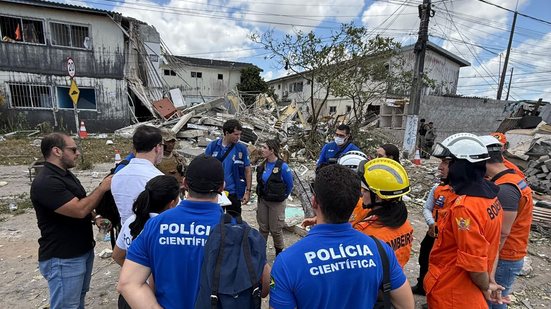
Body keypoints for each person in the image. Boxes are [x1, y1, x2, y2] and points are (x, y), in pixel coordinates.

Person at [269, 164, 414, 309]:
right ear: (354, 204)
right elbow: (406, 305)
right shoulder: (380, 250)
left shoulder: (287, 262)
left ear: (314, 201)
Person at [117, 155, 225, 308]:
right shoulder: (235, 229)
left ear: (185, 183)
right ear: (222, 187)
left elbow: (128, 283)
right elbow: (263, 286)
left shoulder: (156, 225)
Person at [30, 132, 112, 309]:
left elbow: (79, 200)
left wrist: (96, 217)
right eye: (73, 149)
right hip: (63, 257)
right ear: (57, 151)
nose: (77, 153)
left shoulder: (65, 175)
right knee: (67, 306)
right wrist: (102, 188)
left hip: (80, 251)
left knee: (77, 301)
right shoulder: (46, 182)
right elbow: (79, 209)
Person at [425, 133, 505, 308]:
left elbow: (474, 263)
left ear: (462, 166)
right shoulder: (490, 197)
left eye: (446, 162)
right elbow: (493, 244)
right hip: (467, 289)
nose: (440, 167)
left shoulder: (465, 207)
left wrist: (486, 286)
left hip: (454, 292)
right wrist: (489, 280)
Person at [480, 135, 534, 309]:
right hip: (508, 253)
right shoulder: (510, 177)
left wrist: (489, 271)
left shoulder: (506, 189)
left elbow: (501, 234)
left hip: (505, 256)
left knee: (493, 301)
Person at [112, 175, 180, 309]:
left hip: (131, 295)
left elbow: (117, 255)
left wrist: (133, 272)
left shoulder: (132, 221)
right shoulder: (169, 228)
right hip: (155, 296)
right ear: (172, 203)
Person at [353, 158, 414, 268]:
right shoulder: (405, 225)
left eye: (365, 190)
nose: (362, 193)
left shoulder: (364, 232)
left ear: (377, 197)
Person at [411, 156, 457, 295]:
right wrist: (431, 223)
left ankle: (437, 295)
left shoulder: (465, 194)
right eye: (441, 162)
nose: (440, 167)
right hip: (433, 233)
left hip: (448, 239)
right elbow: (427, 208)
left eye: (446, 163)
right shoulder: (438, 188)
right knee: (424, 258)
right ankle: (422, 286)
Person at [112, 125, 164, 225]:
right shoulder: (158, 178)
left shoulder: (118, 176)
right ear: (157, 148)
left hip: (126, 235)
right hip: (149, 235)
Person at [205, 119, 252, 216]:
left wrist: (248, 191)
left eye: (239, 134)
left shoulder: (241, 149)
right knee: (216, 221)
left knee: (234, 223)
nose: (238, 137)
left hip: (233, 192)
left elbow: (247, 170)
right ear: (226, 133)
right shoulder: (213, 146)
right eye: (236, 134)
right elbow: (205, 167)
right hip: (216, 192)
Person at [255, 139, 294, 256]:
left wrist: (282, 197)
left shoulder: (283, 167)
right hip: (263, 200)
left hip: (276, 203)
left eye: (264, 148)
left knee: (276, 230)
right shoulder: (262, 165)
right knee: (263, 228)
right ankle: (260, 252)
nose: (262, 149)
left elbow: (290, 185)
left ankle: (279, 253)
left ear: (272, 150)